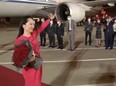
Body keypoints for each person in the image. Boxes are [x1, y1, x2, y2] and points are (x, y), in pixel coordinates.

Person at [14, 14, 55, 86]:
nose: (33, 26)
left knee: (37, 83)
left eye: (33, 24)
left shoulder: (33, 34)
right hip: (29, 67)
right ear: (23, 26)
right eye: (30, 24)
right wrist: (29, 59)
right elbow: (18, 59)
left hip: (37, 64)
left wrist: (49, 19)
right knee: (31, 83)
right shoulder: (19, 40)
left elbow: (42, 27)